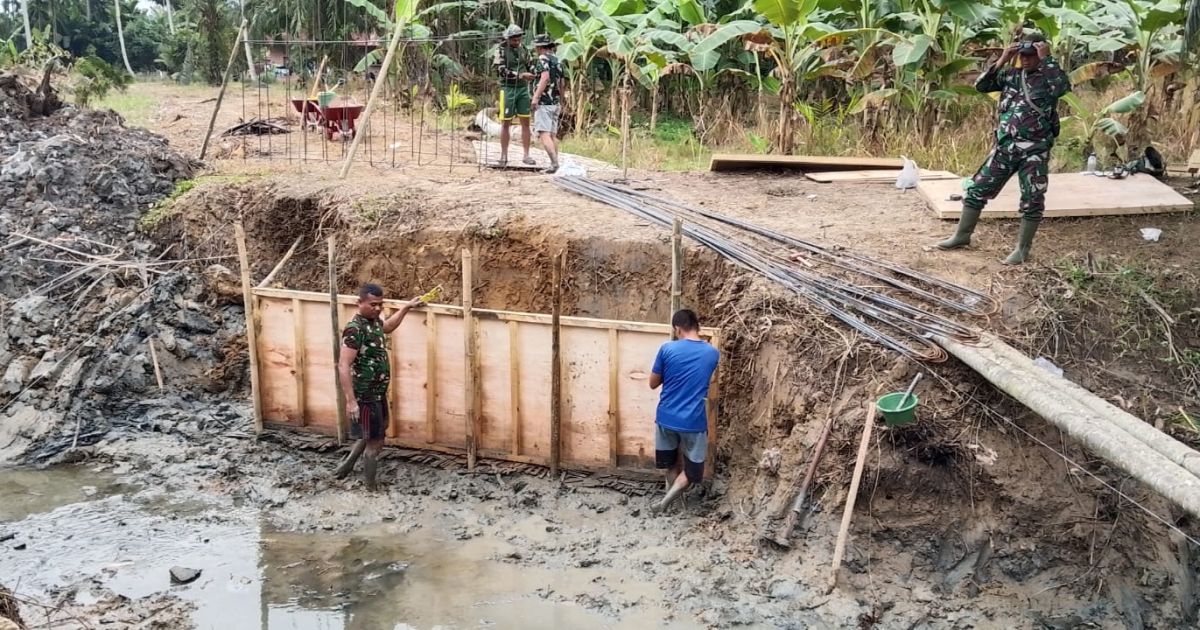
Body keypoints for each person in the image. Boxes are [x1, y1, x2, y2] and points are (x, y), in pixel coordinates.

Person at [934, 35, 1071, 265]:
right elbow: (981, 85)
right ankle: (962, 236)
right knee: (977, 188)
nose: (1026, 60)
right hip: (1005, 147)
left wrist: (1047, 59)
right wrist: (1003, 58)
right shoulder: (1011, 76)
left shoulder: (1048, 78)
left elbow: (1062, 87)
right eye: (1022, 55)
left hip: (1034, 151)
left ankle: (1022, 250)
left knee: (1033, 199)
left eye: (1030, 55)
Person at [332, 284, 425, 490]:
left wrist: (407, 307)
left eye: (380, 305)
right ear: (360, 303)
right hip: (365, 395)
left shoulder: (373, 322)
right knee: (375, 441)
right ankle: (371, 488)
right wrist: (351, 401)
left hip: (378, 392)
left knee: (377, 429)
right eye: (373, 305)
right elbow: (343, 365)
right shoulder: (354, 329)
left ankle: (346, 466)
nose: (377, 309)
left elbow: (388, 327)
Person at [648, 309, 720, 513]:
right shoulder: (713, 353)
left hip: (666, 417)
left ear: (677, 329)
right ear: (698, 326)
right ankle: (669, 502)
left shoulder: (667, 349)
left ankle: (670, 504)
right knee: (692, 471)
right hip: (693, 421)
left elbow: (653, 383)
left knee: (671, 464)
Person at [493, 24, 536, 167]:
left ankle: (526, 155)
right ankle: (503, 155)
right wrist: (520, 75)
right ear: (508, 39)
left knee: (525, 122)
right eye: (514, 40)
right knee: (506, 122)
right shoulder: (500, 50)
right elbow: (501, 70)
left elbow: (530, 64)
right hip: (508, 88)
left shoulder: (524, 49)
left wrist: (534, 73)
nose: (517, 42)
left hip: (523, 89)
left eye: (519, 39)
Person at [530, 34, 566, 174]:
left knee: (544, 134)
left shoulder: (542, 60)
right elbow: (562, 82)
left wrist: (535, 97)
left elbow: (544, 78)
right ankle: (555, 162)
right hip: (555, 102)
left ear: (539, 47)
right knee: (551, 134)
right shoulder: (558, 61)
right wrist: (561, 100)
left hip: (544, 102)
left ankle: (554, 164)